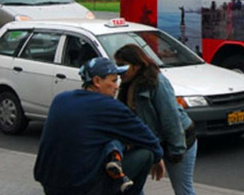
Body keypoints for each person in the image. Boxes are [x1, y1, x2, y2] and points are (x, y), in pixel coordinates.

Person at [34, 57, 164, 195]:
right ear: (97, 81)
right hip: (81, 188)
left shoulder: (60, 99)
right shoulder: (109, 106)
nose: (117, 86)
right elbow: (146, 137)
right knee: (147, 154)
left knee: (109, 139)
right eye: (113, 81)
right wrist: (158, 157)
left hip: (49, 183)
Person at [114, 44, 197, 195]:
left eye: (123, 66)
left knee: (182, 189)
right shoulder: (127, 85)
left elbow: (170, 119)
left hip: (179, 140)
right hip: (153, 143)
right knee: (134, 186)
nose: (119, 71)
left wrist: (176, 151)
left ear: (137, 65)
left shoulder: (157, 82)